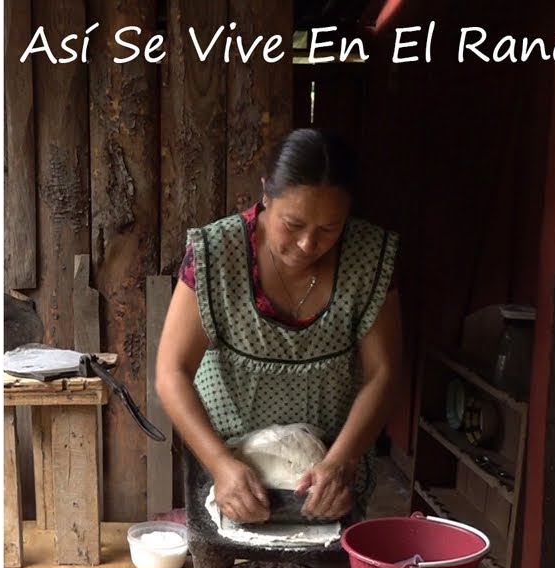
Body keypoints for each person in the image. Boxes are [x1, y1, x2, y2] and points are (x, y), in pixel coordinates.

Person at [155, 128, 402, 532]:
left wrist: (342, 459)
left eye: (329, 228)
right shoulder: (217, 254)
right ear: (266, 195)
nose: (308, 244)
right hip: (232, 460)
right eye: (293, 224)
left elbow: (383, 372)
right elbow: (171, 372)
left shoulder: (369, 257)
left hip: (329, 468)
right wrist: (221, 464)